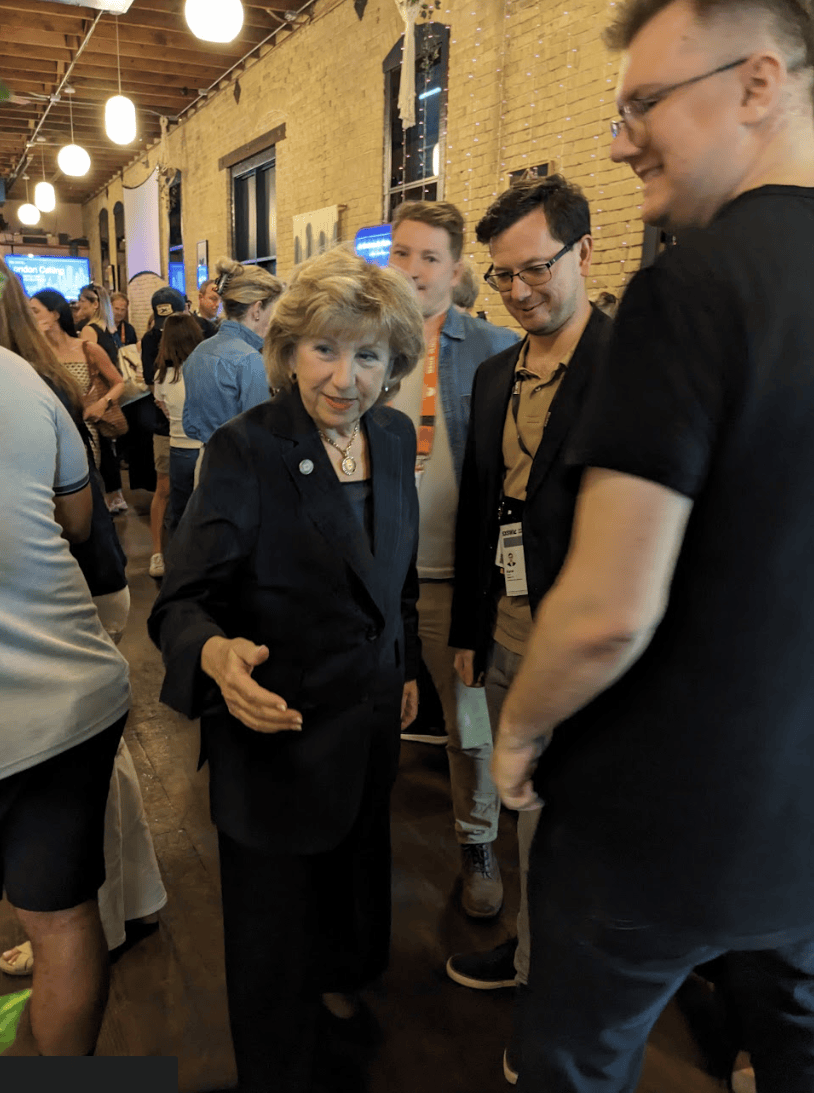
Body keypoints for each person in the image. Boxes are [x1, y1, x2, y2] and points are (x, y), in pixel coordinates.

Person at [490, 2, 814, 1091]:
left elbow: (609, 607)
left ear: (757, 84)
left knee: (570, 1061)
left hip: (665, 813)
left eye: (642, 104)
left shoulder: (692, 287)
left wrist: (519, 730)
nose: (621, 139)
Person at [148, 247, 423, 1093]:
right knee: (271, 952)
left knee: (350, 891)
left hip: (367, 720)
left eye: (369, 354)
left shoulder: (392, 431)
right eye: (325, 350)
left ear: (393, 361)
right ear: (290, 349)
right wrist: (216, 653)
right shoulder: (245, 451)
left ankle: (342, 991)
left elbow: (394, 568)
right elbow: (181, 602)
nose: (346, 377)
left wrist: (403, 655)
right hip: (276, 734)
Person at [442, 175, 613, 1080]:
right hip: (504, 634)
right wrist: (470, 624)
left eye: (535, 268)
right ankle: (524, 961)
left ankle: (550, 1004)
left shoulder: (631, 366)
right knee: (517, 814)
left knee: (566, 840)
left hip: (585, 650)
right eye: (502, 275)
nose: (517, 291)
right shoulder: (493, 370)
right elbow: (484, 509)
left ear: (585, 252)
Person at [1, 268, 166, 977]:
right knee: (109, 762)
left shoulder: (38, 381)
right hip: (74, 595)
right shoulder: (34, 381)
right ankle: (129, 900)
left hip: (73, 597)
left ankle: (107, 912)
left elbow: (77, 513)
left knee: (92, 769)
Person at [388, 200, 519, 919]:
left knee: (469, 726)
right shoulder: (366, 340)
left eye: (429, 257)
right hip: (376, 576)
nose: (412, 270)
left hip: (452, 576)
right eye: (402, 253)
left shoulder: (495, 348)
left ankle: (477, 841)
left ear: (457, 269)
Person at [182, 258, 283, 456]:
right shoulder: (250, 360)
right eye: (274, 311)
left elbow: (189, 424)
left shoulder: (199, 352)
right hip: (242, 466)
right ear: (257, 310)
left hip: (206, 459)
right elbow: (260, 435)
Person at [30, 289, 125, 476]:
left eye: (35, 311)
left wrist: (102, 403)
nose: (30, 317)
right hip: (46, 430)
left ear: (55, 314)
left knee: (84, 482)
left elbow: (119, 382)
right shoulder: (35, 354)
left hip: (83, 429)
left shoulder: (86, 348)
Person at [74, 282, 127, 514]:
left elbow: (90, 367)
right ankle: (116, 495)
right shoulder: (110, 328)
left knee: (100, 446)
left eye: (82, 302)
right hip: (110, 393)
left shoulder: (89, 330)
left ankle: (107, 497)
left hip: (97, 395)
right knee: (108, 445)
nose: (78, 306)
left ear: (94, 304)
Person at [153, 312, 204, 530]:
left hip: (178, 448)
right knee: (205, 510)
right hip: (204, 446)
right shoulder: (207, 371)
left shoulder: (161, 376)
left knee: (180, 513)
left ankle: (178, 559)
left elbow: (163, 407)